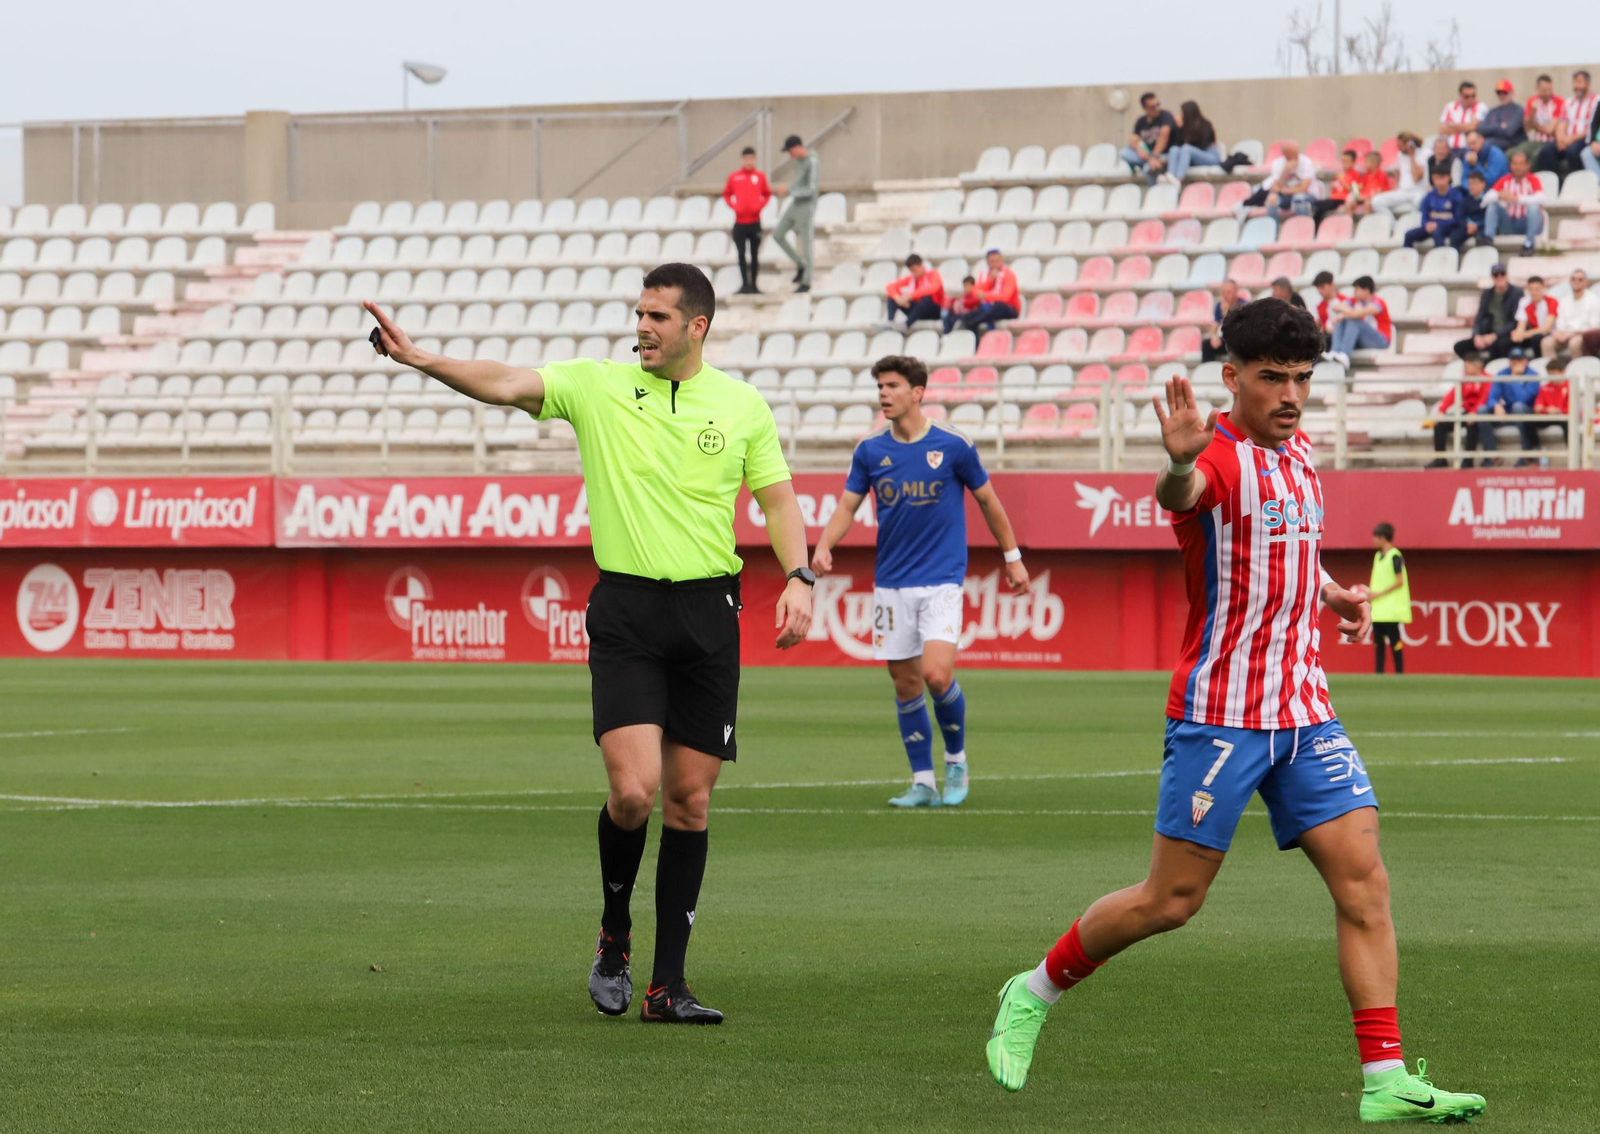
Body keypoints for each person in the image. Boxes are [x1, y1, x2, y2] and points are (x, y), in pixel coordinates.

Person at [984, 298, 1486, 1125]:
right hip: (1222, 715)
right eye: (1271, 378)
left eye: (1300, 378)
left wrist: (1333, 595)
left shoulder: (1300, 457)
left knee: (1365, 883)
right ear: (1232, 378)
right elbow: (1180, 492)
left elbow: (1289, 551)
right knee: (1170, 901)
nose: (1289, 394)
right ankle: (1034, 990)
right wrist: (1176, 461)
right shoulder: (1213, 459)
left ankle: (1386, 1077)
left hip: (1306, 711)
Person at [360, 263, 816, 1027]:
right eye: (639, 313)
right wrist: (423, 359)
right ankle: (615, 934)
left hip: (710, 613)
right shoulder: (598, 386)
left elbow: (777, 500)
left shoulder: (742, 405)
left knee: (690, 802)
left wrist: (799, 575)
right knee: (634, 793)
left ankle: (668, 988)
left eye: (658, 317)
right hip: (629, 612)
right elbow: (507, 382)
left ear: (696, 327)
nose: (642, 326)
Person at [811, 355, 1028, 809]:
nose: (884, 394)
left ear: (918, 392)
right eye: (880, 387)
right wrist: (825, 545)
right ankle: (923, 782)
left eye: (891, 385)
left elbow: (989, 502)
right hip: (891, 583)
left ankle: (956, 760)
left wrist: (1013, 558)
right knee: (905, 684)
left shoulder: (953, 446)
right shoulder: (870, 450)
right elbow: (849, 505)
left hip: (942, 581)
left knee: (935, 673)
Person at [1426, 354, 1491, 468]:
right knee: (1440, 425)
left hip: (1481, 413)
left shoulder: (1488, 379)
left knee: (1473, 424)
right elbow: (1452, 394)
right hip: (1467, 412)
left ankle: (1468, 460)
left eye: (1466, 367)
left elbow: (1485, 398)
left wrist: (1474, 412)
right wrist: (1442, 411)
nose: (1464, 370)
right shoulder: (1465, 380)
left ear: (1476, 367)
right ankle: (1440, 459)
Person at [1479, 348, 1543, 465]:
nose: (1516, 363)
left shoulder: (1533, 375)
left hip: (1527, 414)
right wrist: (1496, 405)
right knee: (1482, 410)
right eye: (1513, 360)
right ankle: (1492, 454)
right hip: (1508, 412)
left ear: (1525, 361)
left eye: (1519, 360)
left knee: (1518, 407)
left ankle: (1526, 453)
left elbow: (1523, 399)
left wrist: (1515, 378)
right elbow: (1492, 396)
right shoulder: (1502, 373)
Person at [771, 134, 819, 292]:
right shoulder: (799, 162)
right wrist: (792, 190)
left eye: (790, 151)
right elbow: (799, 184)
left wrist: (789, 190)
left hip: (806, 207)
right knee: (778, 234)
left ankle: (807, 280)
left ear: (797, 147)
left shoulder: (812, 161)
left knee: (806, 244)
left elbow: (811, 190)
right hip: (796, 204)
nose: (790, 155)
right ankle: (800, 263)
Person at [723, 147, 771, 295]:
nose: (749, 161)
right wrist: (734, 206)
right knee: (741, 254)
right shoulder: (734, 177)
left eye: (752, 158)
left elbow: (767, 194)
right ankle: (744, 285)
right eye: (747, 158)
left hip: (755, 222)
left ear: (755, 159)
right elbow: (726, 194)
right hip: (740, 223)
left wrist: (760, 206)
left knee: (755, 254)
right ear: (742, 159)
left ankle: (754, 286)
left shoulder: (760, 177)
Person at [1454, 262, 1522, 361]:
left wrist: (1495, 335)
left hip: (1507, 334)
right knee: (1460, 346)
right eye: (1496, 275)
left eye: (1502, 274)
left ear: (1507, 275)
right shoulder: (1487, 294)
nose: (1499, 277)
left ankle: (1492, 371)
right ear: (1492, 277)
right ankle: (1477, 369)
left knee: (1498, 345)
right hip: (1487, 333)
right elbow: (1479, 316)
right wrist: (1477, 335)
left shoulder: (1517, 293)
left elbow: (1515, 321)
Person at [1366, 523, 1410, 675]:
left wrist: (1378, 594)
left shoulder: (1395, 556)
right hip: (1378, 610)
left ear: (1383, 538)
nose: (1373, 540)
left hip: (1391, 609)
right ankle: (1379, 673)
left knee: (1395, 642)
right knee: (1378, 644)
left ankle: (1399, 672)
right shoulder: (1378, 557)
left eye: (1375, 537)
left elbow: (1400, 581)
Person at [1483, 149, 1545, 254]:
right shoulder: (1504, 180)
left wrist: (1517, 199)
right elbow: (1485, 200)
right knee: (1492, 205)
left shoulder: (1533, 179)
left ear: (1527, 166)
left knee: (1534, 207)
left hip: (1527, 222)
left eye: (1521, 164)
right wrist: (1498, 196)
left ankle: (1529, 244)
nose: (1517, 167)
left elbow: (1542, 198)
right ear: (1510, 165)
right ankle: (1488, 239)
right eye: (1515, 164)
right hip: (1510, 223)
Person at [1537, 70, 1595, 176]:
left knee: (1573, 152)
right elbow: (1562, 123)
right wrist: (1561, 140)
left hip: (1585, 139)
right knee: (1546, 151)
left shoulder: (1596, 101)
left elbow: (1592, 127)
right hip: (1566, 139)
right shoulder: (1569, 102)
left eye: (1579, 82)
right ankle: (1555, 186)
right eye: (1574, 83)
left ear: (1588, 83)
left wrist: (1570, 140)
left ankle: (1577, 185)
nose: (1576, 86)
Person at [1325, 275, 1391, 368]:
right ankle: (1335, 351)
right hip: (1363, 338)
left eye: (1357, 289)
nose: (1354, 293)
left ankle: (1345, 354)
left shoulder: (1378, 302)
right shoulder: (1354, 301)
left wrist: (1344, 314)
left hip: (1380, 340)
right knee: (1343, 320)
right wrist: (1345, 314)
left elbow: (1358, 313)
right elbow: (1336, 307)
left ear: (1366, 290)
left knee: (1353, 321)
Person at [1540, 268, 1600, 364]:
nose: (1576, 282)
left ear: (1586, 283)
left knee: (1574, 343)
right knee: (1546, 342)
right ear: (1570, 281)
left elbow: (1593, 327)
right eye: (1573, 279)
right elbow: (1560, 323)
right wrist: (1558, 333)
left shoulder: (1593, 300)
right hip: (1565, 335)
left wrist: (1572, 334)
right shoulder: (1564, 301)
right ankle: (1554, 373)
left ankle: (1576, 374)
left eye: (1580, 279)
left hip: (1582, 335)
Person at [1120, 92, 1177, 186]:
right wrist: (1139, 150)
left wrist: (1154, 157)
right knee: (1124, 152)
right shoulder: (1141, 121)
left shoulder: (1165, 115)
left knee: (1147, 169)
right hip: (1150, 156)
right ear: (1145, 109)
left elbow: (1164, 136)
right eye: (1153, 107)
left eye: (1158, 104)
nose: (1157, 108)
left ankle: (1155, 192)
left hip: (1165, 155)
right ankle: (1152, 167)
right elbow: (1133, 141)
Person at [1255, 139, 1318, 220]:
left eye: (1295, 152)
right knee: (1272, 200)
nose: (1294, 155)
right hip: (1285, 196)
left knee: (1298, 198)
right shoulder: (1277, 163)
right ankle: (1273, 229)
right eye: (1290, 152)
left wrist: (1282, 191)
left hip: (1307, 195)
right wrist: (1285, 171)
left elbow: (1303, 189)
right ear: (1284, 153)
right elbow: (1275, 188)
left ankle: (1305, 228)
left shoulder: (1306, 162)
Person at [1402, 169, 1463, 249]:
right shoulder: (1429, 196)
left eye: (1442, 177)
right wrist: (1426, 224)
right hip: (1431, 226)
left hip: (1448, 227)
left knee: (1437, 232)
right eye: (1437, 178)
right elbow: (1424, 216)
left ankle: (1441, 259)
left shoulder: (1456, 195)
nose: (1440, 181)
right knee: (1409, 235)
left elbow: (1457, 218)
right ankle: (1407, 258)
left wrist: (1438, 224)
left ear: (1449, 177)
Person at [1369, 132, 1425, 217]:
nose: (1399, 149)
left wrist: (1411, 155)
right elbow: (1398, 172)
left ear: (1408, 144)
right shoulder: (1400, 155)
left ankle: (1413, 224)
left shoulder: (1424, 153)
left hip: (1418, 191)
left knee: (1419, 202)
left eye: (1401, 146)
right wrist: (1395, 187)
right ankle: (1392, 224)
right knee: (1376, 201)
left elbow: (1416, 178)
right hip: (1403, 191)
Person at [966, 248, 1021, 332]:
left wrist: (985, 296)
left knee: (998, 306)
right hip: (989, 308)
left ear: (1002, 260)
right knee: (969, 314)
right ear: (988, 263)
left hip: (1008, 309)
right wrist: (990, 280)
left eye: (997, 261)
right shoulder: (984, 275)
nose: (995, 264)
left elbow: (1005, 298)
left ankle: (973, 322)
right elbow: (975, 291)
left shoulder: (1009, 275)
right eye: (992, 261)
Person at [1167, 100, 1222, 182]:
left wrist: (1188, 144)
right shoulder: (1184, 127)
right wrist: (1178, 128)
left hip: (1210, 157)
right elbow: (1178, 144)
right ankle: (1170, 176)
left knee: (1187, 148)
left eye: (1182, 113)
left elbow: (1203, 145)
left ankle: (1178, 180)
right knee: (1174, 149)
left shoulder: (1205, 125)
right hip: (1193, 157)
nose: (1180, 115)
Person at [1517, 74, 1566, 165]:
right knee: (1515, 153)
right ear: (1537, 88)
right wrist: (1533, 112)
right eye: (1544, 90)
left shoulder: (1559, 102)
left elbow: (1549, 130)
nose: (1547, 93)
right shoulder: (1532, 101)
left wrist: (1534, 124)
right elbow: (1527, 128)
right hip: (1536, 140)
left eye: (1550, 89)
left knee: (1536, 156)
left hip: (1551, 142)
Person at [884, 254, 945, 327]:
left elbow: (934, 288)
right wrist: (898, 298)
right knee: (892, 297)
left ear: (921, 265)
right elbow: (890, 286)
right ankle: (890, 322)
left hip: (933, 310)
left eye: (915, 270)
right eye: (911, 271)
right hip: (917, 310)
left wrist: (909, 296)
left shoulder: (933, 274)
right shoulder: (911, 279)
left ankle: (906, 325)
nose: (914, 273)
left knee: (927, 298)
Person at [1512, 274, 1558, 357]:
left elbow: (1547, 328)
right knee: (1510, 340)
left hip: (1550, 334)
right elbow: (1520, 326)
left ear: (1543, 288)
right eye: (1531, 289)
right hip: (1534, 333)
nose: (1533, 293)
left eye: (1537, 289)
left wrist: (1525, 334)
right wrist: (1517, 334)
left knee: (1536, 338)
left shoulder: (1551, 301)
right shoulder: (1525, 302)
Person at [1202, 278, 1246, 362]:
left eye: (1228, 292)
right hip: (1226, 340)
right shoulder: (1220, 305)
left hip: (1240, 340)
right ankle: (1207, 370)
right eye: (1223, 292)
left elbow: (1238, 329)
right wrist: (1213, 337)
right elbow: (1214, 325)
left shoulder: (1244, 306)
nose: (1225, 295)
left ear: (1236, 292)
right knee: (1207, 344)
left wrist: (1226, 312)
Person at [1439, 80, 1486, 157]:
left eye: (1473, 96)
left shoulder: (1480, 106)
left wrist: (1451, 125)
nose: (1470, 99)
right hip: (1450, 149)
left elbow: (1474, 127)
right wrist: (1467, 126)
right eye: (1467, 96)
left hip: (1468, 149)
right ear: (1460, 95)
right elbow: (1442, 129)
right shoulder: (1450, 107)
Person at [1479, 80, 1527, 155]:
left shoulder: (1518, 110)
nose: (1502, 96)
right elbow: (1482, 129)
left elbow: (1509, 131)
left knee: (1486, 145)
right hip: (1493, 142)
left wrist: (1492, 129)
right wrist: (1500, 126)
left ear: (1512, 93)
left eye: (1505, 93)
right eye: (1499, 93)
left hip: (1513, 145)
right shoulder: (1492, 111)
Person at [1314, 149, 1362, 222]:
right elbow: (1334, 190)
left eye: (1347, 161)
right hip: (1334, 198)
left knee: (1320, 207)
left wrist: (1341, 180)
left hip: (1343, 199)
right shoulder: (1341, 173)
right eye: (1343, 161)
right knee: (1316, 204)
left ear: (1353, 162)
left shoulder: (1356, 174)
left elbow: (1353, 191)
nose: (1344, 164)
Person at [1349, 150, 1391, 217]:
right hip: (1365, 197)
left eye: (1366, 162)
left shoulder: (1381, 175)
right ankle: (1349, 221)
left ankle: (1366, 223)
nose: (1364, 164)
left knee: (1367, 204)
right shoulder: (1367, 175)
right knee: (1349, 204)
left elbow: (1379, 192)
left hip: (1376, 198)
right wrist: (1356, 194)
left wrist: (1365, 198)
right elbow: (1359, 186)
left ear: (1373, 163)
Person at [1458, 169, 1490, 248]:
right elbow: (1461, 216)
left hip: (1482, 227)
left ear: (1483, 184)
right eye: (1470, 184)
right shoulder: (1466, 200)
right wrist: (1467, 225)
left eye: (1475, 183)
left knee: (1481, 238)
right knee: (1455, 236)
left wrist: (1476, 226)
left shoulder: (1488, 199)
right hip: (1469, 226)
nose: (1472, 186)